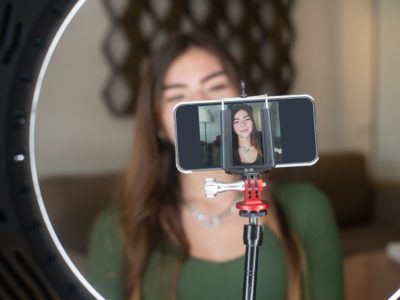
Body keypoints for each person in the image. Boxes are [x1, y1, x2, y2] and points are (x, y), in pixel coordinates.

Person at [87, 32, 343, 300]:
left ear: (244, 103)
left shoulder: (307, 208)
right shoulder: (117, 229)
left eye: (216, 87)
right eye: (177, 96)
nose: (201, 103)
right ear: (159, 125)